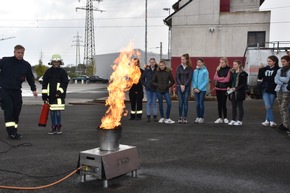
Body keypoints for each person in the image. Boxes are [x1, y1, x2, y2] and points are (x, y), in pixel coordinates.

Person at [0, 45, 37, 140]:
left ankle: (14, 130)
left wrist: (34, 89)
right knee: (9, 110)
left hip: (16, 91)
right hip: (5, 90)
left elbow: (30, 78)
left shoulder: (26, 65)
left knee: (16, 111)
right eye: (18, 52)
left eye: (22, 53)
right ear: (14, 52)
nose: (20, 54)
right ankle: (11, 133)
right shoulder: (5, 61)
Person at [42, 54, 69, 134]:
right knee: (52, 112)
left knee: (57, 112)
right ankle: (53, 127)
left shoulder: (63, 72)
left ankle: (58, 127)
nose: (56, 63)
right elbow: (44, 84)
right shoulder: (48, 72)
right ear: (52, 62)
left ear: (60, 62)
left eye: (58, 62)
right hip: (50, 96)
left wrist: (59, 91)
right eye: (54, 61)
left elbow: (64, 83)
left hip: (59, 96)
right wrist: (44, 96)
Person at [258, 55, 280, 127]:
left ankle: (267, 120)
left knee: (270, 106)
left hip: (273, 90)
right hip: (265, 89)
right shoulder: (264, 68)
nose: (268, 63)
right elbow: (260, 77)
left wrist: (267, 79)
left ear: (274, 62)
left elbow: (274, 79)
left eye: (270, 61)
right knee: (267, 106)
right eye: (267, 61)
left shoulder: (278, 69)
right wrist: (260, 69)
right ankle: (272, 121)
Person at [227, 60, 248, 126]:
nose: (234, 66)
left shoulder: (243, 73)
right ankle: (233, 119)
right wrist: (229, 87)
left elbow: (244, 84)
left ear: (239, 65)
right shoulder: (232, 72)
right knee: (233, 106)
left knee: (240, 106)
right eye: (233, 64)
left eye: (235, 64)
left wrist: (236, 88)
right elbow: (230, 81)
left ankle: (240, 121)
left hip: (239, 92)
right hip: (232, 91)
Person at [213, 57, 232, 124]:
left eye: (222, 62)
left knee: (224, 103)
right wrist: (222, 78)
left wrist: (219, 79)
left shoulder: (229, 69)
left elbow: (227, 79)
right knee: (219, 103)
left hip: (225, 89)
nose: (221, 64)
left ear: (226, 62)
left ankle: (225, 118)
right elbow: (215, 78)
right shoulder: (218, 69)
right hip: (218, 88)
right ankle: (220, 118)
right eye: (220, 62)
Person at [176, 53, 193, 123]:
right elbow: (177, 77)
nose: (182, 60)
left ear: (187, 60)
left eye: (183, 59)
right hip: (179, 87)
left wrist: (184, 85)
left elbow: (190, 78)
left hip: (187, 87)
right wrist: (180, 85)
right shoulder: (178, 67)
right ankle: (180, 117)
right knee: (180, 102)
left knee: (185, 102)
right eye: (181, 59)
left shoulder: (190, 68)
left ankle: (185, 118)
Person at [274, 55, 290, 131]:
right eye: (282, 61)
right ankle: (284, 123)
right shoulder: (279, 70)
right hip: (279, 89)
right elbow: (275, 80)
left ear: (288, 61)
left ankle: (285, 125)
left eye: (284, 61)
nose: (282, 63)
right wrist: (281, 80)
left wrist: (279, 79)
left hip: (286, 91)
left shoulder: (289, 70)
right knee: (280, 107)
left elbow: (287, 80)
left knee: (284, 107)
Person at [192, 58, 209, 124]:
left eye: (200, 62)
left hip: (202, 90)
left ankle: (201, 118)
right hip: (196, 90)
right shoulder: (195, 71)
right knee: (197, 104)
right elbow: (193, 80)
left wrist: (199, 88)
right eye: (197, 62)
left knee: (201, 103)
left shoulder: (205, 71)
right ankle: (198, 117)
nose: (198, 63)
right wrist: (194, 88)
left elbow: (206, 81)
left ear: (202, 63)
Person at [141, 58, 158, 122]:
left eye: (153, 62)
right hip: (148, 89)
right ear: (149, 62)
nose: (152, 63)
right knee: (149, 102)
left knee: (154, 102)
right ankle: (148, 116)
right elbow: (142, 78)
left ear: (155, 62)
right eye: (151, 62)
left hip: (155, 89)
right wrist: (145, 84)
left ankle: (155, 116)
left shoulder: (157, 70)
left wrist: (157, 85)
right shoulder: (146, 70)